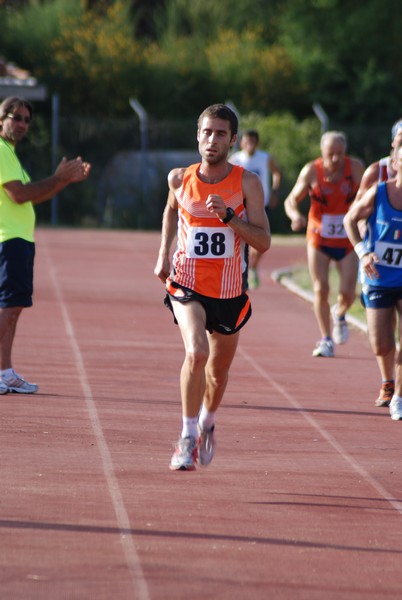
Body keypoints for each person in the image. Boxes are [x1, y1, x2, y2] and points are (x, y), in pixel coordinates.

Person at [154, 104, 271, 471]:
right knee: (197, 352)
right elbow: (172, 209)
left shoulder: (247, 182)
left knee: (217, 373)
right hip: (187, 283)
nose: (212, 139)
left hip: (229, 292)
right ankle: (186, 437)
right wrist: (163, 254)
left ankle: (206, 423)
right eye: (207, 132)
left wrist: (230, 217)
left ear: (233, 140)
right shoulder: (179, 178)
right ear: (198, 135)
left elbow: (264, 241)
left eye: (221, 133)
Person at [0, 96, 91, 393]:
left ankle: (5, 371)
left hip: (19, 241)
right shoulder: (1, 151)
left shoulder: (10, 154)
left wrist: (63, 181)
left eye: (27, 119)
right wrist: (56, 177)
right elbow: (19, 195)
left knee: (13, 308)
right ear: (1, 119)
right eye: (16, 117)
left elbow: (35, 195)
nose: (23, 124)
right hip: (9, 240)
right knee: (8, 308)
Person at [284, 131, 364, 357]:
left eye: (340, 154)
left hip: (347, 239)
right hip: (318, 237)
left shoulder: (355, 168)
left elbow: (368, 195)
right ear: (322, 152)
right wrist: (294, 216)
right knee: (321, 288)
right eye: (331, 154)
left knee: (348, 293)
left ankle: (339, 313)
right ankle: (326, 339)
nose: (336, 159)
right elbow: (290, 200)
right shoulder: (311, 171)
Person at [343, 143, 402, 421]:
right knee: (381, 344)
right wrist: (362, 251)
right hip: (378, 277)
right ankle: (387, 379)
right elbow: (350, 219)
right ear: (395, 163)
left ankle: (398, 396)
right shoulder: (379, 192)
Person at [229, 129, 281, 289]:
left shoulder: (265, 158)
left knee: (260, 241)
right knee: (239, 240)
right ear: (242, 142)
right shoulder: (235, 158)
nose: (250, 145)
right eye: (247, 141)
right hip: (240, 204)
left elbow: (277, 172)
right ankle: (239, 272)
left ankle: (253, 267)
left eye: (253, 141)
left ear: (257, 143)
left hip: (261, 205)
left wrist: (274, 191)